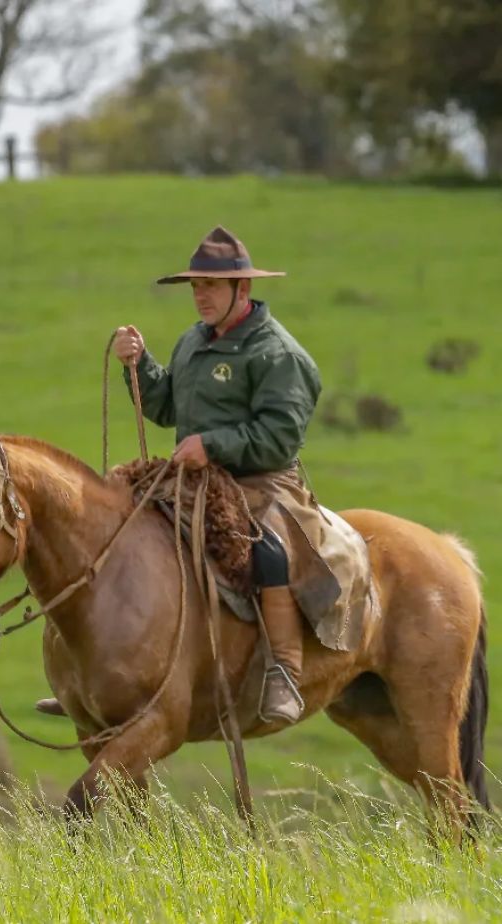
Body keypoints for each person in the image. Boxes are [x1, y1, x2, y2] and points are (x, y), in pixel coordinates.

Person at [36, 226, 322, 725]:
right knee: (121, 532)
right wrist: (139, 365)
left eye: (210, 285)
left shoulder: (279, 355)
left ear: (243, 289)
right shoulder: (194, 341)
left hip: (263, 483)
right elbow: (168, 407)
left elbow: (280, 436)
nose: (200, 295)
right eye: (195, 286)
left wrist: (213, 445)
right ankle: (103, 674)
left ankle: (284, 673)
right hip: (194, 479)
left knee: (270, 552)